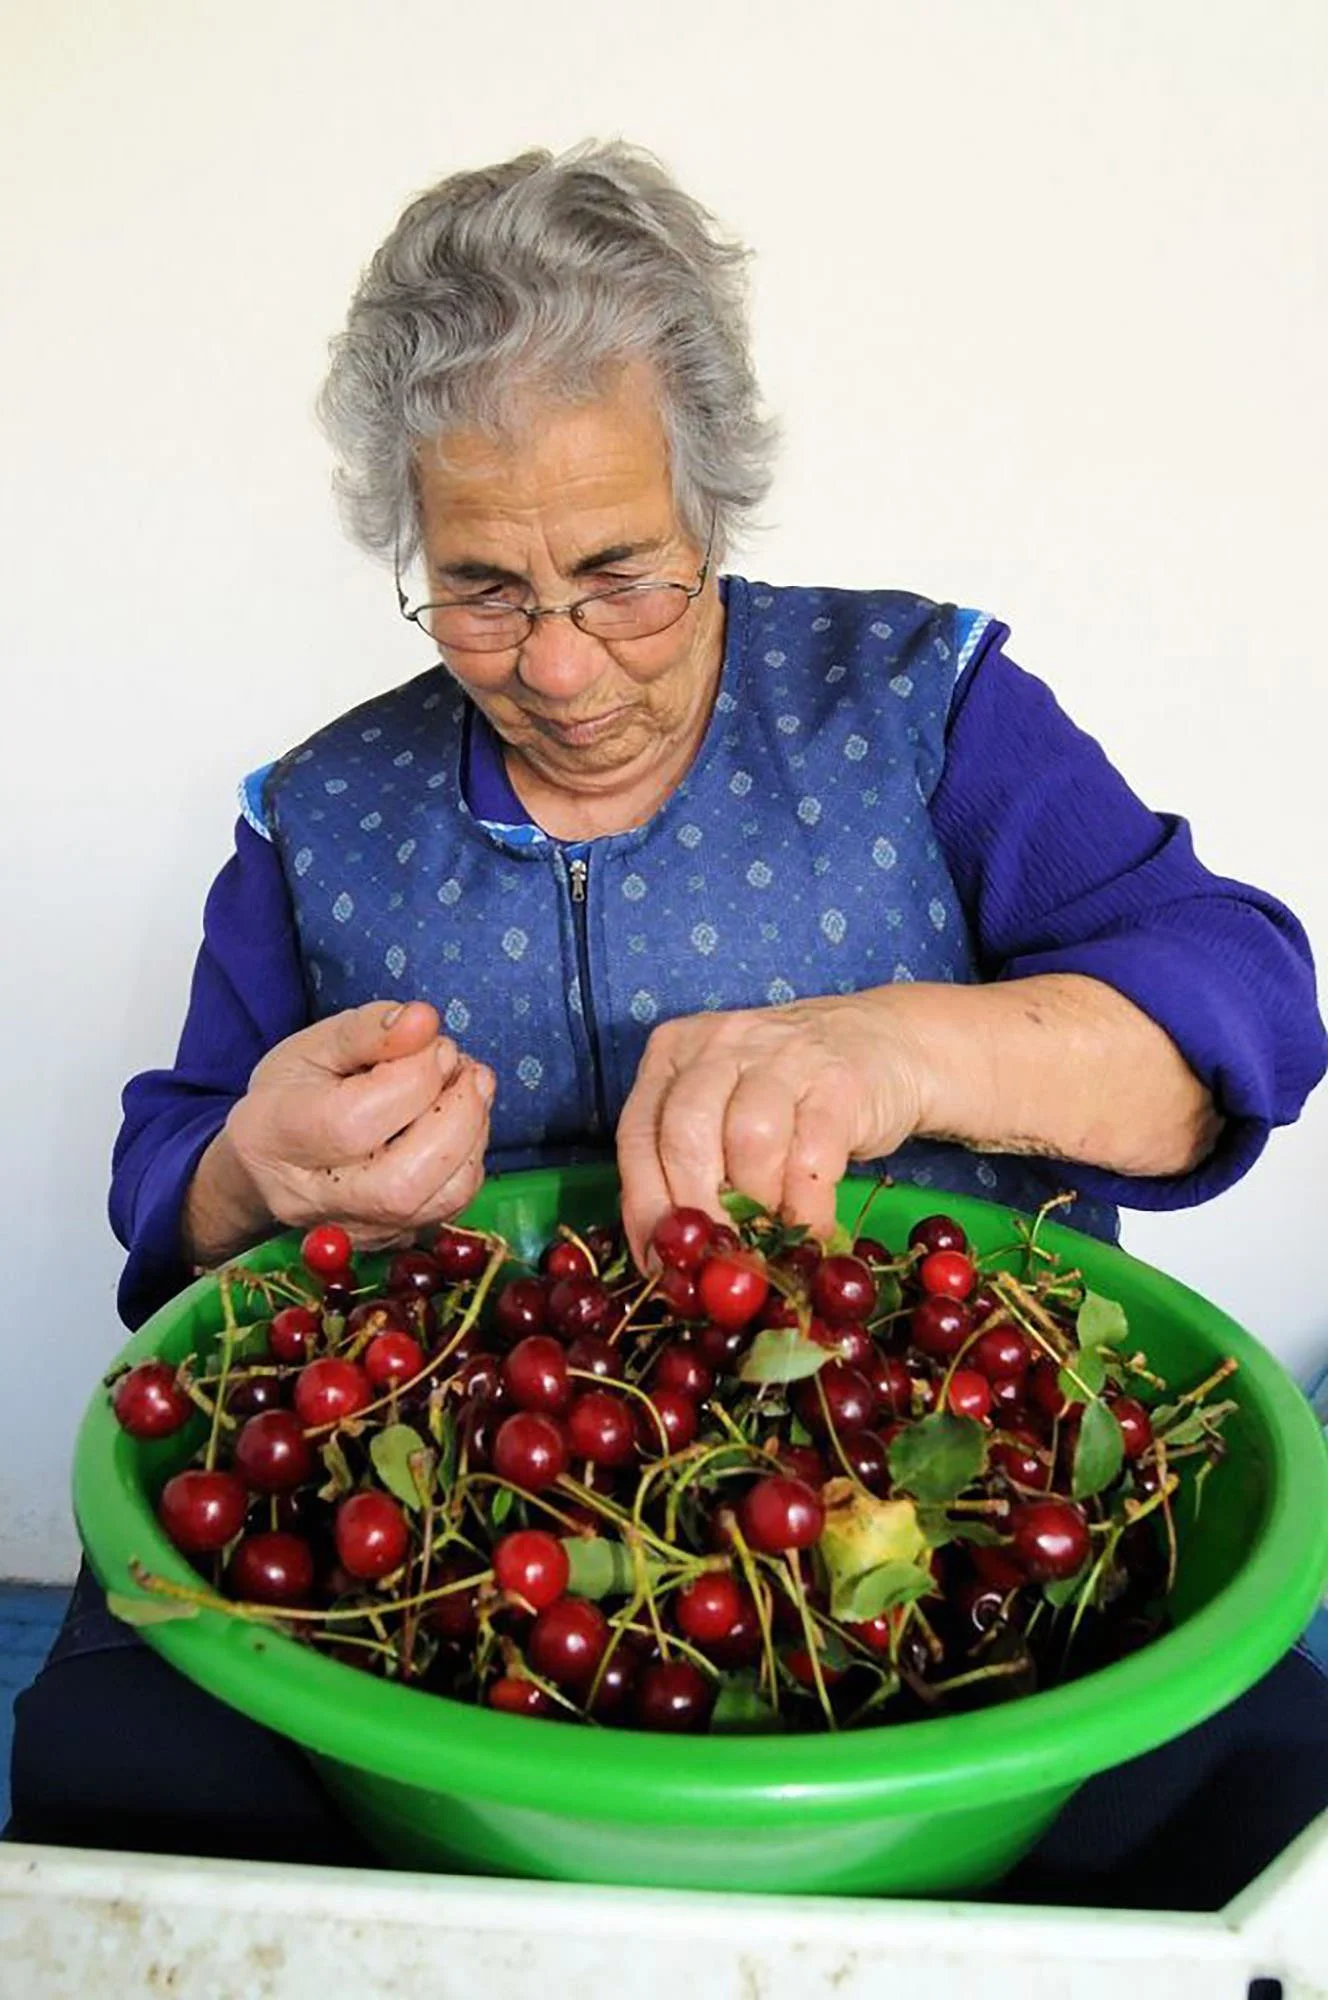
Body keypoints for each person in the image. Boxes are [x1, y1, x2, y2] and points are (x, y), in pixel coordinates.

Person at [12, 142, 1326, 1900]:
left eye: (623, 572)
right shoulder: (319, 816)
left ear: (716, 502)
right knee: (127, 1820)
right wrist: (246, 1171)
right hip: (475, 1558)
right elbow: (168, 1168)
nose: (558, 664)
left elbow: (1246, 1004)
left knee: (1252, 1829)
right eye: (482, 585)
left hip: (923, 1518)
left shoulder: (920, 706)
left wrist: (904, 1048)